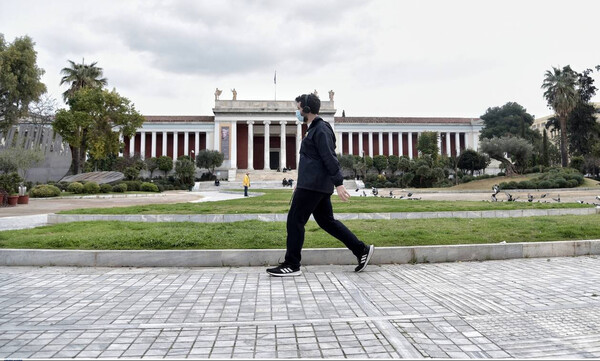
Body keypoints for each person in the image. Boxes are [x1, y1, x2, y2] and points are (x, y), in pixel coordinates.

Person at [266, 93, 374, 277]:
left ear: (307, 110)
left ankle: (292, 264)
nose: (297, 112)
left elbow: (328, 157)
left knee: (295, 220)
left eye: (299, 108)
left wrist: (339, 183)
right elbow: (312, 160)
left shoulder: (321, 129)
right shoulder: (314, 129)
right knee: (327, 222)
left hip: (313, 186)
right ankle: (361, 250)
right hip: (313, 184)